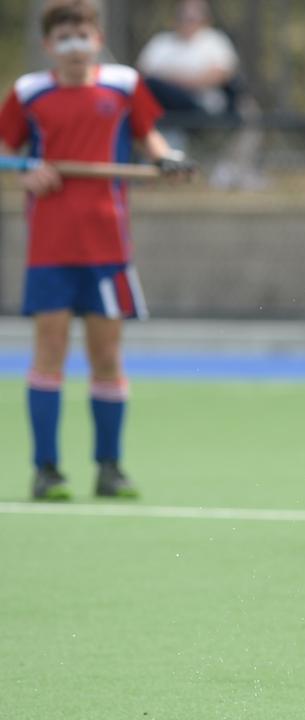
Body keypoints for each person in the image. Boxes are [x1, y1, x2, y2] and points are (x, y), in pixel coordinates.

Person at [0, 0, 191, 501]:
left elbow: (150, 139)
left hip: (109, 247)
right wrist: (24, 169)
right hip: (50, 248)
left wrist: (168, 161)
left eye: (81, 31)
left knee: (106, 355)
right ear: (48, 45)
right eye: (63, 35)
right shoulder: (27, 92)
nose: (74, 42)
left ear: (97, 37)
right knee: (50, 351)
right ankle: (46, 470)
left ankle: (109, 467)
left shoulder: (124, 86)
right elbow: (3, 150)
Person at [137, 0, 261, 189]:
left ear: (204, 20)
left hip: (209, 109)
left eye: (194, 18)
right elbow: (144, 78)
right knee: (150, 90)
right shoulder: (160, 43)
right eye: (183, 17)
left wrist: (174, 79)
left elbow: (223, 74)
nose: (188, 22)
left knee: (248, 107)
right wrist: (191, 80)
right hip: (167, 109)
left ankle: (231, 170)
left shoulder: (215, 41)